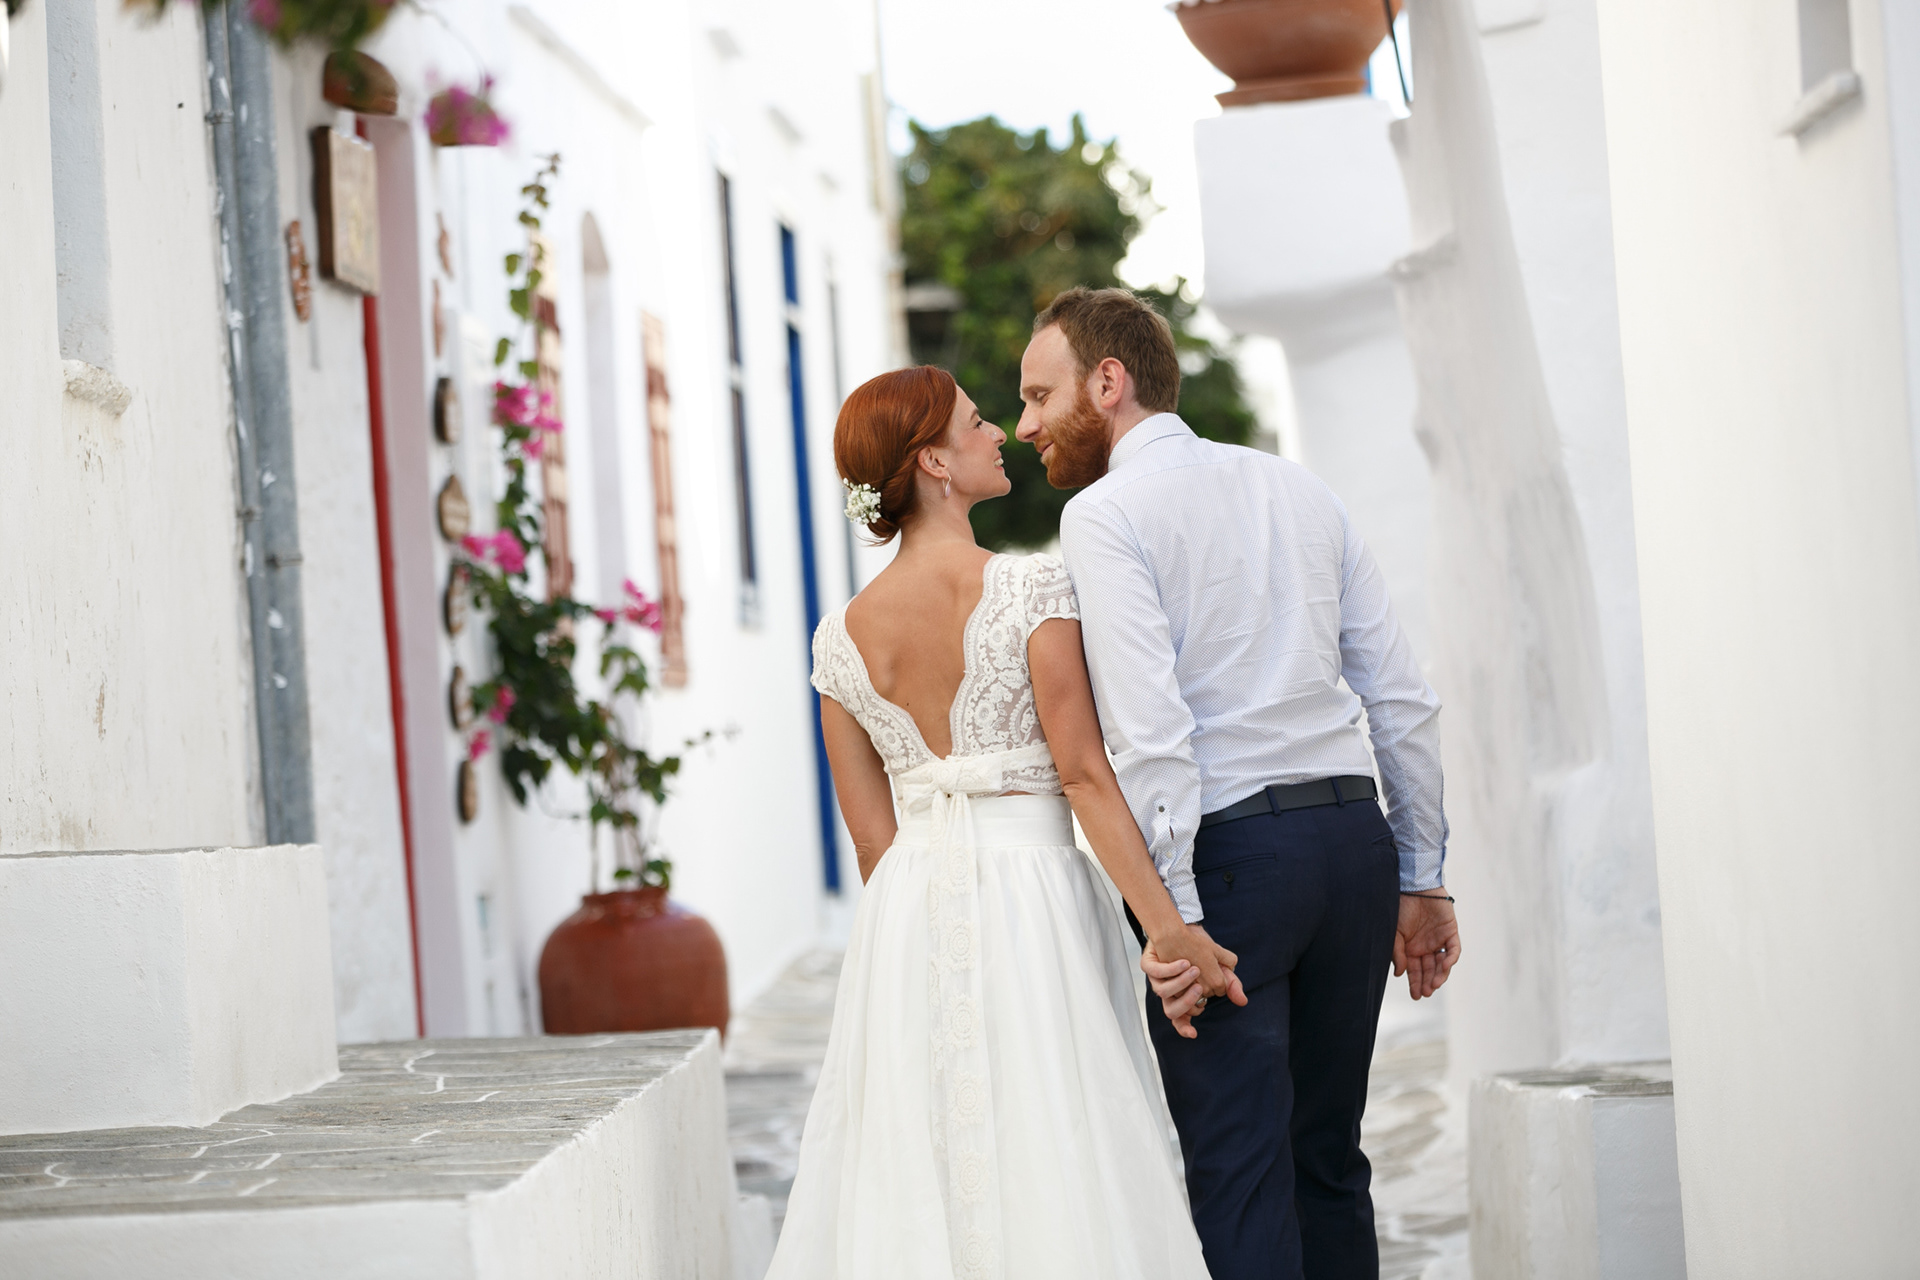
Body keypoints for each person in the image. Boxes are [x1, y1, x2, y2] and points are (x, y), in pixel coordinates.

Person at [1016, 287, 1461, 1280]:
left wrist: (1173, 918)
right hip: (1352, 849)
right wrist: (1422, 876)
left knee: (1241, 1174)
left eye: (1041, 395)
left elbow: (1151, 734)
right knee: (1329, 1163)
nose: (1027, 425)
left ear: (1108, 381)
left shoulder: (1104, 514)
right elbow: (1402, 698)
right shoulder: (1298, 489)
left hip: (1230, 864)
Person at [765, 365, 1240, 1279]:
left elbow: (872, 841)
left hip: (906, 914)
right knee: (1056, 1130)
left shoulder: (838, 638)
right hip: (1035, 902)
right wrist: (1169, 930)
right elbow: (1085, 777)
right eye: (977, 422)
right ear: (934, 462)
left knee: (923, 1149)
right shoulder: (1031, 589)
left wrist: (919, 930)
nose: (999, 434)